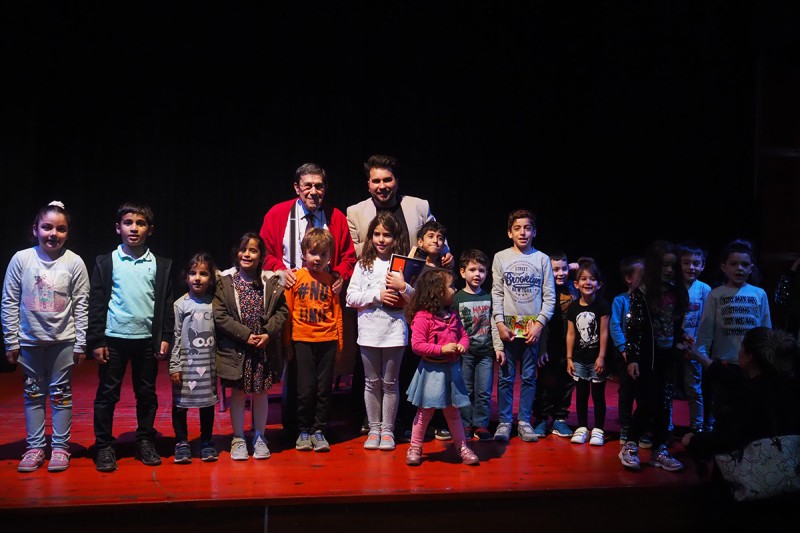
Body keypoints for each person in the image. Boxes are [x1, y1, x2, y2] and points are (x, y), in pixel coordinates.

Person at [346, 154, 453, 434]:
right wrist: (380, 264)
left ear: (396, 181)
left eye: (387, 180)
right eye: (376, 181)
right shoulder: (355, 212)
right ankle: (372, 421)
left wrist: (445, 251)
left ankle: (409, 420)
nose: (382, 186)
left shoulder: (418, 205)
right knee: (371, 368)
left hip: (415, 294)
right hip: (377, 298)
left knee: (412, 360)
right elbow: (352, 251)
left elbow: (435, 235)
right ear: (368, 184)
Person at [259, 162, 356, 438]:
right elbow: (264, 252)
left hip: (322, 304)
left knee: (321, 372)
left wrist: (340, 275)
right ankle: (295, 427)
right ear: (297, 188)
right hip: (290, 298)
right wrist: (280, 270)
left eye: (319, 186)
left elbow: (349, 257)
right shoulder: (278, 214)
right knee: (293, 364)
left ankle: (318, 427)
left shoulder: (336, 218)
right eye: (308, 185)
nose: (314, 191)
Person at [1, 201, 90, 473]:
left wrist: (80, 342)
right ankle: (35, 447)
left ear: (67, 233)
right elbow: (9, 300)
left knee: (61, 394)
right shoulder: (21, 259)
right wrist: (11, 340)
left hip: (63, 341)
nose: (53, 233)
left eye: (60, 229)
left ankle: (60, 447)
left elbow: (82, 304)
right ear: (35, 229)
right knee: (33, 394)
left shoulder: (74, 262)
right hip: (29, 342)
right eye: (47, 227)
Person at [87, 202, 174, 472]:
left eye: (140, 223)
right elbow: (97, 303)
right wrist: (97, 340)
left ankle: (145, 440)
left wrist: (165, 335)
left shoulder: (160, 265)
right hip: (113, 339)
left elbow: (166, 303)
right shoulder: (106, 262)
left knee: (146, 394)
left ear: (150, 229)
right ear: (118, 228)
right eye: (128, 223)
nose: (134, 228)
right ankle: (103, 445)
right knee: (107, 394)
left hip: (146, 341)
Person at [681, 327, 800, 487]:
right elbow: (728, 377)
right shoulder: (785, 386)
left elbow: (728, 439)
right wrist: (698, 355)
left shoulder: (750, 395)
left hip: (750, 486)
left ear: (749, 356)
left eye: (742, 348)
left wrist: (694, 441)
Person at [214, 233, 288, 461]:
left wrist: (268, 333)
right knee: (238, 394)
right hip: (238, 350)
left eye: (253, 250)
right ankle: (238, 438)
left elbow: (282, 311)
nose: (247, 254)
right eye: (243, 249)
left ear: (260, 255)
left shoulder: (269, 282)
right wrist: (245, 335)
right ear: (236, 253)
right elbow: (220, 315)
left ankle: (259, 436)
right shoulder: (226, 282)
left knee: (261, 393)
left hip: (262, 349)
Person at [345, 212, 413, 451]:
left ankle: (388, 431)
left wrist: (403, 287)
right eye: (376, 234)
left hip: (394, 332)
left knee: (390, 383)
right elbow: (350, 297)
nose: (381, 239)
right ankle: (374, 429)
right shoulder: (363, 264)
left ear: (396, 238)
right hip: (369, 331)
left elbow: (416, 298)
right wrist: (377, 295)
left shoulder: (403, 265)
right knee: (372, 382)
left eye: (387, 235)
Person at [618, 240, 687, 472]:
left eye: (672, 266)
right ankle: (630, 445)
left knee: (664, 405)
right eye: (664, 265)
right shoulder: (643, 293)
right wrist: (633, 358)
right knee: (647, 403)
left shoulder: (678, 291)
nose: (668, 270)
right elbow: (634, 327)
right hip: (647, 358)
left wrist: (681, 341)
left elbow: (676, 324)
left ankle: (659, 449)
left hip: (668, 357)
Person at [491, 209, 556, 443]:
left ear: (534, 231)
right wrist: (499, 323)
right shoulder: (501, 257)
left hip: (532, 331)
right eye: (517, 228)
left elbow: (550, 297)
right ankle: (505, 422)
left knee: (529, 377)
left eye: (527, 228)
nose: (522, 233)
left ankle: (525, 421)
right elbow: (497, 293)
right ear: (509, 232)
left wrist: (539, 325)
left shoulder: (542, 259)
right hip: (508, 329)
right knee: (506, 378)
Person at [404, 268, 479, 466]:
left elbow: (463, 334)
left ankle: (462, 447)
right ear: (437, 291)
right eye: (451, 286)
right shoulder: (423, 317)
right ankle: (415, 447)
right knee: (425, 412)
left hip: (451, 370)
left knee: (453, 412)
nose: (455, 289)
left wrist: (463, 344)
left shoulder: (452, 314)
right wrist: (442, 349)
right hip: (432, 371)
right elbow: (417, 345)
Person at [695, 239, 772, 433]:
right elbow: (705, 331)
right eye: (734, 264)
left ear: (751, 267)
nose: (739, 268)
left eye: (745, 264)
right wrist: (702, 357)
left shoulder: (759, 294)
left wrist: (766, 361)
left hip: (752, 366)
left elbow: (765, 330)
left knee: (748, 414)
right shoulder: (716, 295)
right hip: (724, 365)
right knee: (722, 413)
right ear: (724, 267)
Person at [285, 228, 343, 452]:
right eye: (313, 253)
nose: (318, 258)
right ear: (303, 254)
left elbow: (337, 313)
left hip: (327, 340)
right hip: (302, 340)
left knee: (323, 390)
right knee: (305, 389)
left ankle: (319, 431)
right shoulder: (295, 278)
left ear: (330, 257)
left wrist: (339, 344)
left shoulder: (332, 281)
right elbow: (288, 313)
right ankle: (303, 430)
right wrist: (287, 343)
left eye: (323, 254)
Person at [397, 219, 453, 441]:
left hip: (439, 333)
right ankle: (409, 423)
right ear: (420, 241)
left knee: (438, 377)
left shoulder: (445, 270)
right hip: (418, 330)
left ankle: (438, 422)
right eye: (431, 236)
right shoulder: (414, 266)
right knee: (412, 376)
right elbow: (410, 297)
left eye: (440, 238)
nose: (436, 241)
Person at [170, 252, 219, 463]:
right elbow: (175, 336)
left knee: (207, 404)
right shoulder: (180, 305)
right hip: (186, 366)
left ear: (211, 278)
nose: (197, 278)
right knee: (180, 404)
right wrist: (174, 365)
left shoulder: (215, 304)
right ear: (186, 277)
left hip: (208, 365)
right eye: (193, 273)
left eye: (203, 274)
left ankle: (206, 441)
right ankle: (182, 442)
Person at [454, 249, 504, 442]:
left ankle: (481, 424)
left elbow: (494, 324)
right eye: (472, 270)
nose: (477, 274)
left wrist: (497, 348)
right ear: (462, 272)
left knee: (483, 390)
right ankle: (466, 424)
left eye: (482, 270)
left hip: (485, 352)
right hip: (465, 353)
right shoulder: (457, 298)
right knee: (465, 389)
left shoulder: (489, 297)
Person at [532, 250, 579, 439]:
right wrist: (541, 348)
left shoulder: (573, 287)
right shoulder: (544, 290)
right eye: (555, 270)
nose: (560, 273)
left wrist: (575, 267)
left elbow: (589, 270)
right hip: (548, 345)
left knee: (567, 382)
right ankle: (542, 418)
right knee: (546, 382)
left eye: (564, 269)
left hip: (569, 346)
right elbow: (540, 322)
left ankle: (560, 418)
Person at [566, 260, 611, 446]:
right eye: (583, 279)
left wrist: (601, 357)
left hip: (596, 359)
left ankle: (598, 429)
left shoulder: (602, 305)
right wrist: (569, 358)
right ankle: (582, 427)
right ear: (576, 284)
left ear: (598, 284)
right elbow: (570, 334)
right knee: (581, 395)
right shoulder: (573, 307)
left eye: (592, 279)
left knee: (598, 395)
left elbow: (604, 332)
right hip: (579, 359)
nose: (588, 282)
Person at [674, 242, 711, 436]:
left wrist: (696, 346)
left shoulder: (705, 290)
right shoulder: (672, 287)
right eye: (686, 262)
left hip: (694, 348)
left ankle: (697, 426)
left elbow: (706, 321)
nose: (691, 267)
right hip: (672, 346)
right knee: (668, 387)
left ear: (703, 265)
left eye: (696, 263)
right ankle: (666, 426)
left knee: (694, 388)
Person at [609, 255, 645, 445]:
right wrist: (624, 349)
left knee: (643, 392)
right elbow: (615, 325)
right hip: (624, 356)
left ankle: (642, 427)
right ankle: (626, 425)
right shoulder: (620, 300)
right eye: (642, 275)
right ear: (629, 278)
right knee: (626, 392)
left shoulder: (648, 301)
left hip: (643, 355)